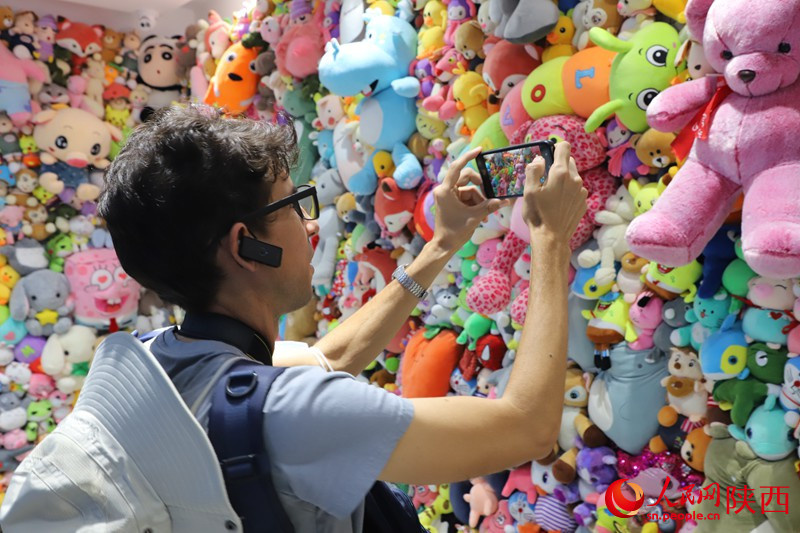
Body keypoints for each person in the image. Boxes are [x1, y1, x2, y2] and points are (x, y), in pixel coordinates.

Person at [0, 105, 588, 532]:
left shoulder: (165, 360)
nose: (312, 224)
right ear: (245, 244)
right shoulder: (296, 413)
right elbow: (527, 429)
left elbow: (334, 355)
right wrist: (550, 238)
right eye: (293, 203)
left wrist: (442, 244)